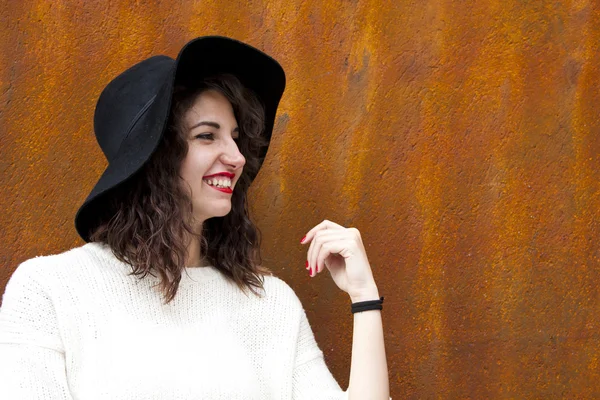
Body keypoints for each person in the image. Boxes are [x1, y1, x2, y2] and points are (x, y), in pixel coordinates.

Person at [0, 36, 389, 399]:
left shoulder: (270, 305)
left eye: (236, 137)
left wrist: (364, 298)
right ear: (154, 158)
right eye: (207, 136)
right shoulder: (49, 291)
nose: (236, 158)